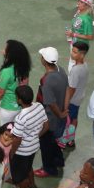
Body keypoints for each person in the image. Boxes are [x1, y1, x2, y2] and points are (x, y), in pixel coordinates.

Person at [8, 85, 48, 188]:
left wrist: (11, 153)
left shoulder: (21, 118)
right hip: (34, 147)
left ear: (20, 100)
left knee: (21, 177)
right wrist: (35, 136)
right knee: (28, 166)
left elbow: (17, 139)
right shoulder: (39, 106)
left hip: (22, 152)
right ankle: (33, 186)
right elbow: (46, 126)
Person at [34, 47, 68, 178]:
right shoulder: (61, 70)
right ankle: (59, 160)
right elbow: (67, 89)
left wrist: (59, 113)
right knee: (53, 141)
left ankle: (49, 169)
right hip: (60, 115)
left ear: (44, 60)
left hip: (50, 119)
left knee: (46, 144)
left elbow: (50, 102)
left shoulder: (46, 80)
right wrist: (64, 110)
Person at [0, 40, 32, 125]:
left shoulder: (6, 71)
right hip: (20, 106)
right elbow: (25, 86)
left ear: (11, 54)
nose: (3, 50)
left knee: (5, 131)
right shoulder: (24, 68)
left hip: (7, 109)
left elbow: (0, 92)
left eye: (5, 49)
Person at [58, 41, 90, 148]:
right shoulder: (84, 65)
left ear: (82, 54)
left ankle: (63, 140)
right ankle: (71, 140)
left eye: (75, 52)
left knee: (66, 121)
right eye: (72, 50)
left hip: (72, 100)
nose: (72, 53)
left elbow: (71, 89)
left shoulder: (76, 70)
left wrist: (65, 105)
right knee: (74, 119)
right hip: (78, 98)